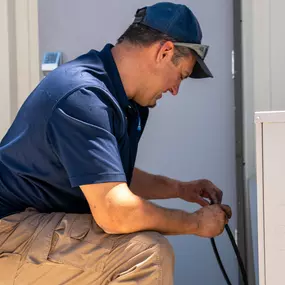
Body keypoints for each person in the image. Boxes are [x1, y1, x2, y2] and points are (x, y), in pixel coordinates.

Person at [0, 2, 232, 284]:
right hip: (10, 232)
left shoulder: (122, 100)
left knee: (133, 244)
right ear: (164, 51)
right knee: (146, 254)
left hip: (30, 225)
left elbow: (108, 180)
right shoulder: (82, 96)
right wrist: (195, 223)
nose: (174, 89)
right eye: (180, 76)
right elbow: (115, 210)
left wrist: (180, 189)